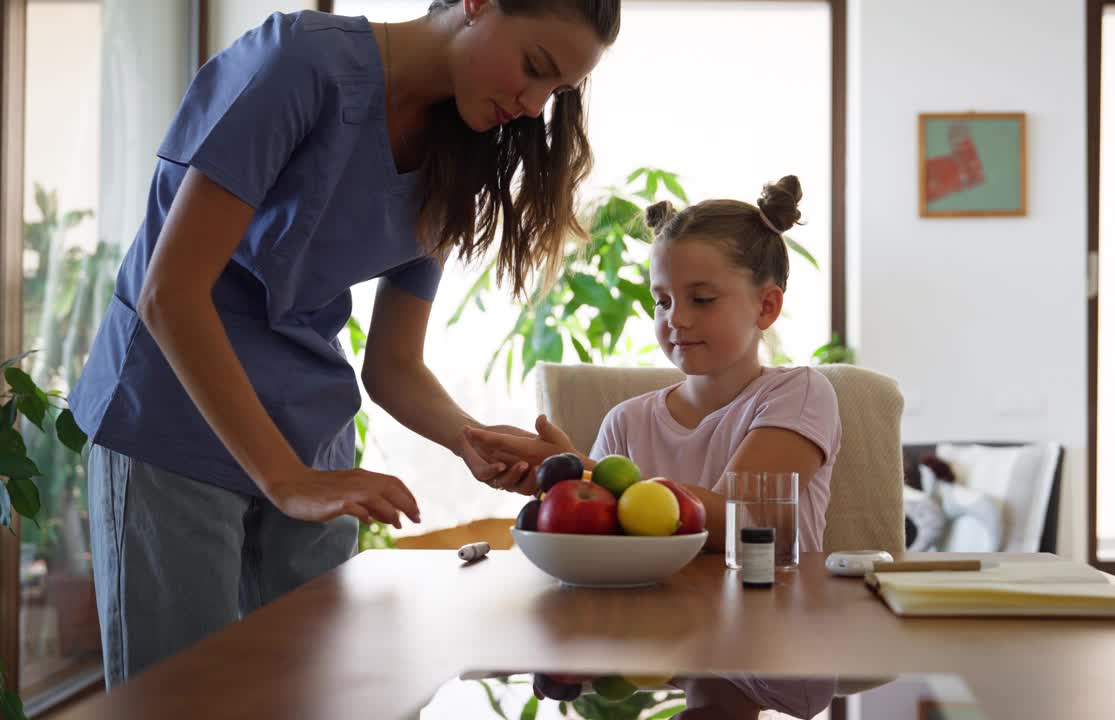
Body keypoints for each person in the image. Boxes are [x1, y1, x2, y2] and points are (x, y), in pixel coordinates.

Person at [68, 0, 620, 685]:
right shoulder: (299, 63)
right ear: (476, 4)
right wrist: (287, 481)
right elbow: (169, 294)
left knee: (324, 691)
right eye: (535, 69)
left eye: (556, 92)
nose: (534, 106)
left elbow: (393, 365)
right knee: (183, 697)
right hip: (172, 418)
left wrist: (471, 440)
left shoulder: (460, 147)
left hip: (309, 433)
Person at [463, 176, 841, 553]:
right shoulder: (626, 422)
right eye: (662, 301)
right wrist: (557, 482)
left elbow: (742, 519)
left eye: (703, 299)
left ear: (767, 306)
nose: (676, 319)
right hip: (647, 611)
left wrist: (583, 470)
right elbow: (600, 543)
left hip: (770, 610)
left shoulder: (800, 394)